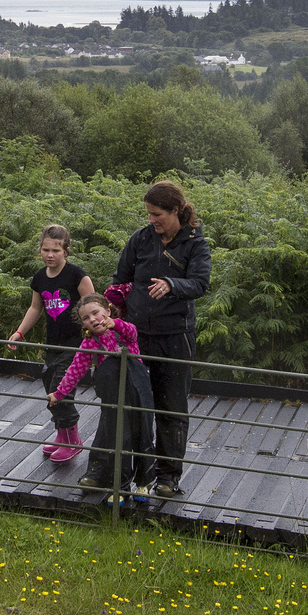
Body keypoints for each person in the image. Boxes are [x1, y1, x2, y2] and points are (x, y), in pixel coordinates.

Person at [112, 180, 211, 498]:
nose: (152, 220)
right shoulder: (140, 239)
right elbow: (121, 280)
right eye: (149, 214)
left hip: (175, 337)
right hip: (136, 336)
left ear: (176, 211)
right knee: (136, 406)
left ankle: (168, 478)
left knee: (171, 409)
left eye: (157, 215)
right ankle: (137, 475)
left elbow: (199, 283)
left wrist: (171, 284)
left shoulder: (195, 243)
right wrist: (111, 306)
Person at [49, 293, 154, 498]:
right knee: (118, 438)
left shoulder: (123, 330)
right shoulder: (89, 344)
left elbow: (132, 332)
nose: (93, 319)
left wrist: (114, 324)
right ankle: (120, 487)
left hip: (138, 390)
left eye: (96, 313)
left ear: (107, 310)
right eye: (86, 318)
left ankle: (145, 482)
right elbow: (75, 370)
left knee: (144, 433)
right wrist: (60, 393)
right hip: (114, 395)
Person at [6, 224, 95, 462]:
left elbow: (94, 308)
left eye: (55, 250)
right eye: (46, 250)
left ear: (66, 251)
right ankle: (61, 435)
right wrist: (19, 333)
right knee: (50, 389)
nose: (50, 255)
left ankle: (73, 440)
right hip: (52, 344)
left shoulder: (77, 275)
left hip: (76, 344)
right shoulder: (39, 278)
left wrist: (97, 337)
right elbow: (35, 308)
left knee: (61, 390)